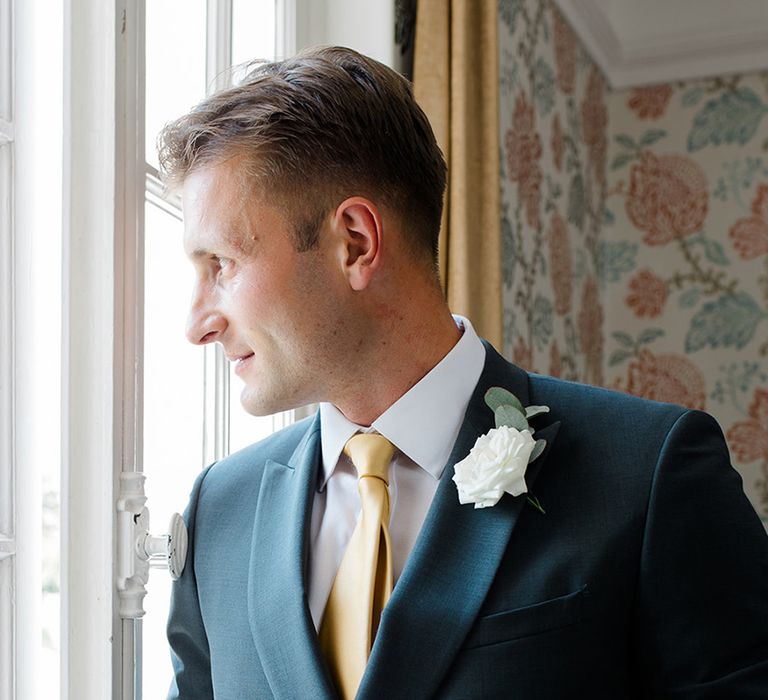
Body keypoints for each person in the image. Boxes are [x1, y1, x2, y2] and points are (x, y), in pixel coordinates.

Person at [159, 46, 768, 699]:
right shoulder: (218, 512)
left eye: (220, 264)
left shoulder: (649, 475)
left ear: (355, 243)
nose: (197, 322)